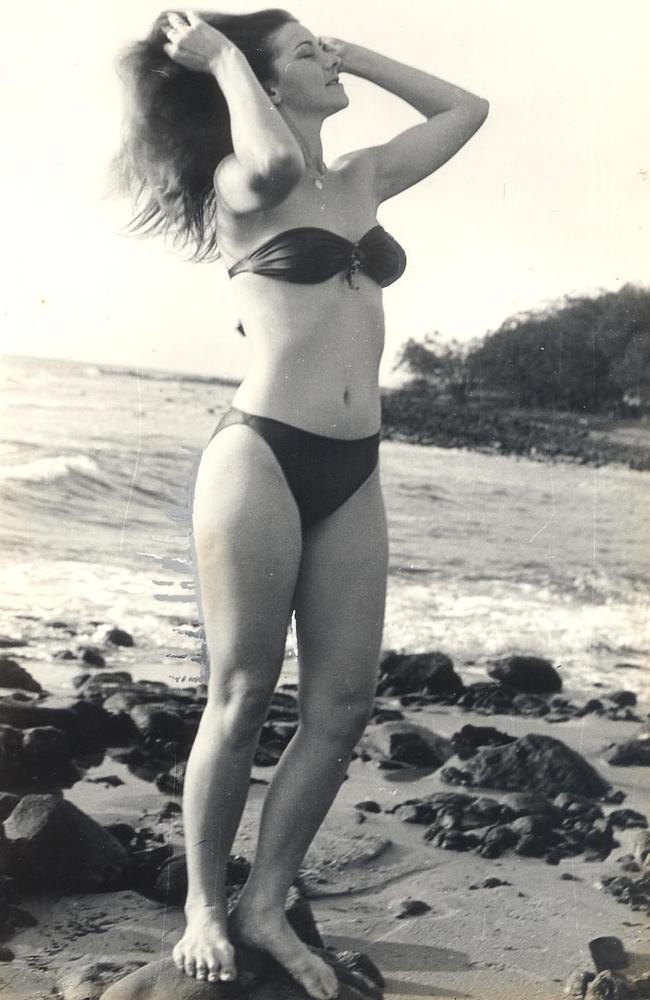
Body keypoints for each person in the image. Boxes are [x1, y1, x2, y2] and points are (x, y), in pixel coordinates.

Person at [115, 8, 488, 998]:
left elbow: (466, 106)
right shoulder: (243, 184)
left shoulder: (362, 176)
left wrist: (352, 56)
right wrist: (228, 57)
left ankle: (268, 898)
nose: (327, 57)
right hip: (260, 457)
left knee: (342, 703)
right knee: (239, 695)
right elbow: (274, 160)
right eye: (307, 53)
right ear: (260, 86)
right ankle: (203, 903)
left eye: (329, 47)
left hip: (354, 464)